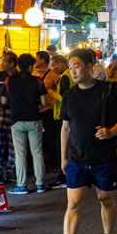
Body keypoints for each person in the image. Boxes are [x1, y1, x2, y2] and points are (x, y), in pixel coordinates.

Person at [52, 49, 117, 234]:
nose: (73, 70)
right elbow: (65, 128)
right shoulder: (69, 95)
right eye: (70, 66)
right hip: (77, 159)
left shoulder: (108, 90)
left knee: (105, 199)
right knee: (74, 203)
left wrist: (111, 132)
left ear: (90, 66)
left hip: (103, 157)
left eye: (77, 65)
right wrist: (63, 157)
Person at [7, 54, 50, 195]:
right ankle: (40, 184)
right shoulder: (37, 80)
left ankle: (21, 185)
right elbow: (44, 102)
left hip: (17, 120)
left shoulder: (10, 81)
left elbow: (2, 101)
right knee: (37, 152)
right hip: (34, 120)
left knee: (20, 154)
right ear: (31, 66)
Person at [47, 54, 73, 189]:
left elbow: (64, 98)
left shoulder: (65, 77)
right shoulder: (70, 75)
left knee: (62, 147)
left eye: (54, 65)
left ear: (61, 64)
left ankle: (65, 177)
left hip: (63, 116)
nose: (52, 69)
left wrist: (51, 92)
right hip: (69, 115)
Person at [0, 52, 17, 185]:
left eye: (4, 61)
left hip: (14, 113)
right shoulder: (0, 75)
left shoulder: (18, 76)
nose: (2, 63)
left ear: (12, 63)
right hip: (1, 113)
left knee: (13, 145)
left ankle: (11, 171)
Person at [34, 51, 60, 174]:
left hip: (48, 112)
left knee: (51, 138)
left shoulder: (53, 75)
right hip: (36, 111)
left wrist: (52, 106)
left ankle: (55, 163)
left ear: (43, 60)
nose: (35, 61)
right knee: (40, 140)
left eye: (36, 59)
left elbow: (59, 92)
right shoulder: (33, 74)